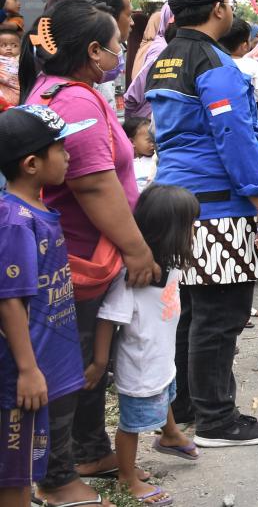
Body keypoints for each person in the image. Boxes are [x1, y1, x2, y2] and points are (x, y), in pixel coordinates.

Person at [20, 0, 159, 504]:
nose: (123, 51)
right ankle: (57, 478)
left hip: (79, 254)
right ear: (94, 50)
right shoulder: (76, 102)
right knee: (70, 368)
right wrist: (138, 250)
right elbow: (95, 185)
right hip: (79, 258)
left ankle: (88, 450)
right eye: (118, 44)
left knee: (83, 365)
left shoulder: (60, 90)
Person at [144, 0, 258, 448]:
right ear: (219, 8)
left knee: (192, 313)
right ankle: (218, 421)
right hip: (218, 207)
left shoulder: (163, 60)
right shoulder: (217, 65)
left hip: (175, 205)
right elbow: (236, 138)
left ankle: (186, 408)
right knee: (221, 317)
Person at [84, 184, 202, 506]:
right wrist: (99, 362)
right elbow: (108, 319)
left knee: (165, 392)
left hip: (160, 359)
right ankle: (126, 477)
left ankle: (170, 435)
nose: (194, 231)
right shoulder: (132, 278)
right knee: (131, 425)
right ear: (170, 231)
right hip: (138, 366)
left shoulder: (170, 266)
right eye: (190, 225)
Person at [0, 106, 93, 507]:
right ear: (32, 163)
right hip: (21, 376)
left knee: (27, 469)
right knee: (14, 477)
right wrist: (27, 369)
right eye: (61, 147)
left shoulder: (39, 211)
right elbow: (8, 301)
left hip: (42, 368)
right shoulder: (15, 221)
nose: (69, 154)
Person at [123, 4, 173, 119]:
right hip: (146, 117)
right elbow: (135, 91)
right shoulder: (160, 49)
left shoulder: (144, 45)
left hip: (139, 113)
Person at [122, 117, 155, 192]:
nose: (153, 143)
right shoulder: (127, 165)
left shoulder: (156, 159)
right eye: (149, 140)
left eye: (154, 139)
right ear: (132, 142)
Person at [0, 25, 20, 108]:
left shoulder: (21, 60)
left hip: (14, 92)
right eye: (3, 45)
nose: (9, 48)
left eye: (14, 45)